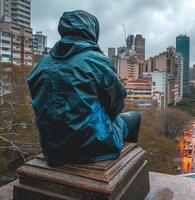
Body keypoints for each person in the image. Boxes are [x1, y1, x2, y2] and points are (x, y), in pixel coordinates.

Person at [27, 10, 140, 167]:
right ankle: (129, 168)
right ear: (92, 31)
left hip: (53, 149)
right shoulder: (97, 61)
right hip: (93, 146)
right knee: (135, 116)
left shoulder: (42, 64)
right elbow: (116, 105)